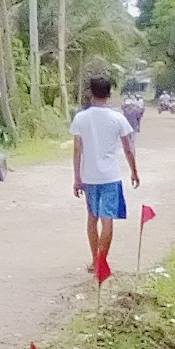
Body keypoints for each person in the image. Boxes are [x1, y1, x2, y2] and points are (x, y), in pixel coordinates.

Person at [70, 74, 140, 274]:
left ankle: (94, 260)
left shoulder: (81, 118)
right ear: (109, 94)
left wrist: (77, 178)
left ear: (91, 93)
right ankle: (102, 260)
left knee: (92, 218)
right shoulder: (117, 118)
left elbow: (77, 150)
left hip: (89, 177)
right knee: (107, 218)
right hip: (110, 176)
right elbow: (128, 148)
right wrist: (134, 171)